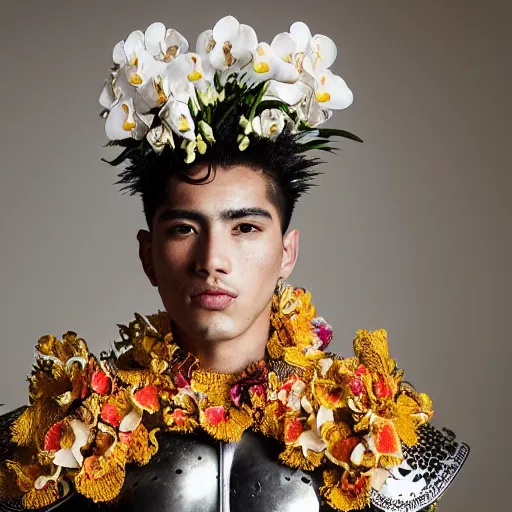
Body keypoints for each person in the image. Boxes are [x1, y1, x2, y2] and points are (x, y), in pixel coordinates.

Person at [0, 14, 469, 512]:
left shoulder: (373, 433)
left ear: (287, 252)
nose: (212, 261)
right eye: (184, 228)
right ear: (148, 255)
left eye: (244, 228)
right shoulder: (58, 441)